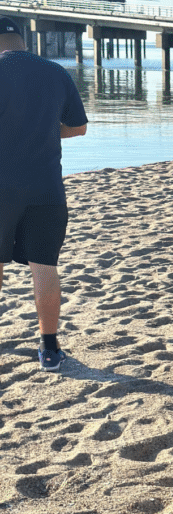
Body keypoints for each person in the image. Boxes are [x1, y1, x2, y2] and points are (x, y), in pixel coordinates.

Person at [0, 16, 88, 371]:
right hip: (46, 187)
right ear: (21, 40)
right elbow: (78, 128)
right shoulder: (55, 72)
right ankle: (49, 350)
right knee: (45, 267)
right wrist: (48, 134)